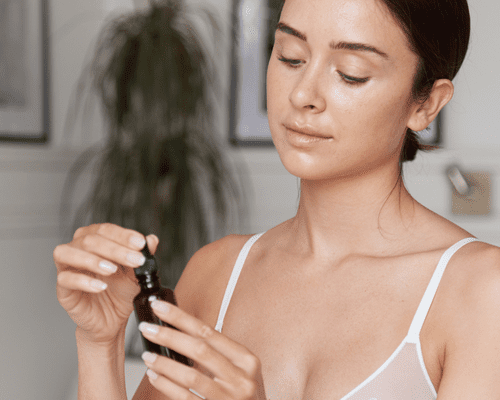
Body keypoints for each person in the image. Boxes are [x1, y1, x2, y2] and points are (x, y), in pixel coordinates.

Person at [54, 0, 500, 398]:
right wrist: (99, 344)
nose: (302, 95)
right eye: (291, 57)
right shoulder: (215, 273)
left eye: (350, 73)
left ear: (426, 104)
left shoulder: (479, 292)